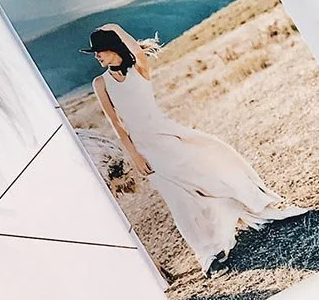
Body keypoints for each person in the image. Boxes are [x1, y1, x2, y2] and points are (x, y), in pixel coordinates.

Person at [82, 23, 304, 275]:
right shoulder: (101, 83)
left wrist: (115, 26)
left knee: (207, 178)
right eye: (95, 53)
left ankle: (245, 212)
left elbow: (136, 50)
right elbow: (116, 123)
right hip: (145, 149)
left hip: (169, 136)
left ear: (113, 47)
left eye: (99, 50)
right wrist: (134, 154)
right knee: (179, 201)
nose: (97, 56)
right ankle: (208, 254)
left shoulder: (138, 69)